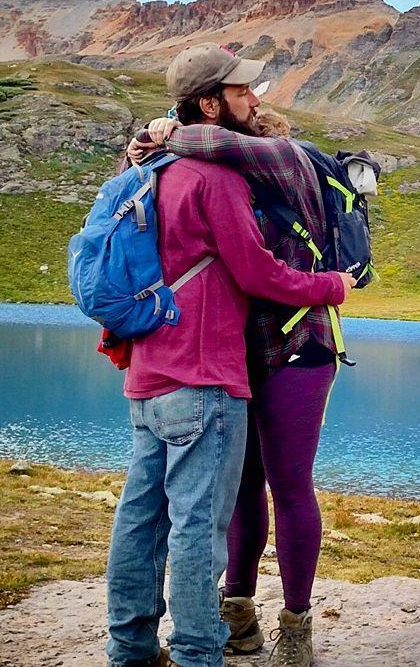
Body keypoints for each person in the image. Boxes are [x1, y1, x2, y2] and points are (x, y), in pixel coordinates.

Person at [106, 42, 354, 667]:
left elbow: (220, 147)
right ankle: (234, 612)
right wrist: (158, 139)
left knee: (288, 483)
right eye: (245, 94)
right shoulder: (205, 172)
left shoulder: (286, 160)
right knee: (234, 492)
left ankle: (293, 623)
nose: (259, 103)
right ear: (214, 105)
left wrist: (163, 133)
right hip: (224, 355)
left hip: (297, 344)